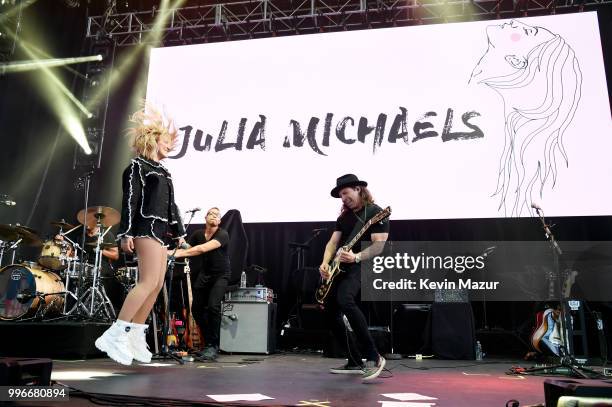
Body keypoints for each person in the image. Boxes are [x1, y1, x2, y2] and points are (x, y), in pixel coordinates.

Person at [94, 107, 186, 365]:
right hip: (144, 228)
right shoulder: (136, 167)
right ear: (152, 140)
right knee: (146, 282)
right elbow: (130, 202)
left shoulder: (165, 171)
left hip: (161, 231)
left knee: (156, 285)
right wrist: (125, 233)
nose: (169, 146)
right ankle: (115, 334)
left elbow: (172, 206)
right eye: (165, 141)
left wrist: (179, 232)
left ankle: (134, 335)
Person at [470, 20, 582, 216]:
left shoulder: (492, 107)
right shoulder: (480, 91)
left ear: (517, 61)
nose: (516, 22)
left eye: (528, 32)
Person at [319, 174, 389, 381]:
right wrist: (325, 263)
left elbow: (379, 245)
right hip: (339, 267)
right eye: (340, 195)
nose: (343, 198)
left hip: (361, 264)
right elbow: (332, 243)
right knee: (330, 310)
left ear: (358, 189)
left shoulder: (376, 213)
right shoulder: (343, 217)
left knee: (345, 300)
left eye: (345, 193)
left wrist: (356, 256)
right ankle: (355, 361)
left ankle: (374, 356)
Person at [172, 207, 230, 361]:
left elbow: (202, 249)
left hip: (220, 275)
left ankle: (213, 345)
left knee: (213, 306)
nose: (213, 216)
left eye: (217, 215)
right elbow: (191, 248)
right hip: (204, 275)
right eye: (211, 213)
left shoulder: (223, 234)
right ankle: (208, 342)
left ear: (219, 221)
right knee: (196, 309)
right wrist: (181, 245)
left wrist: (176, 254)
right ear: (205, 217)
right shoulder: (198, 234)